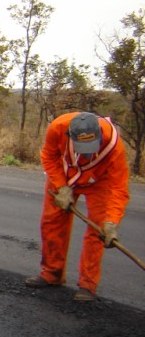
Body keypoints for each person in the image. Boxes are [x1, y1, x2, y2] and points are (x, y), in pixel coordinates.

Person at [25, 111, 130, 301]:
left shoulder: (114, 148)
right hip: (64, 174)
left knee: (98, 229)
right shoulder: (58, 128)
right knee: (52, 221)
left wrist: (112, 222)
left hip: (99, 181)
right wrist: (61, 187)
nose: (86, 152)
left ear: (99, 136)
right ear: (70, 137)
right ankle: (52, 273)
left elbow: (119, 188)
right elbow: (49, 157)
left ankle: (87, 284)